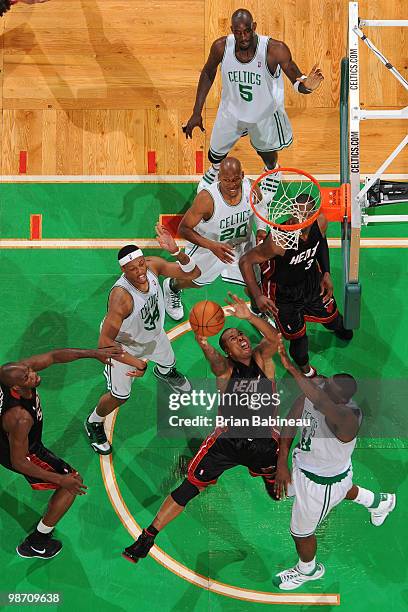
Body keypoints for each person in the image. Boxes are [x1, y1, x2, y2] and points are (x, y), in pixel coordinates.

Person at [122, 293, 281, 564]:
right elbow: (216, 363)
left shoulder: (263, 360)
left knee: (273, 468)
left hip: (265, 440)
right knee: (189, 487)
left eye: (241, 334)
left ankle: (267, 475)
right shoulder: (225, 371)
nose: (240, 338)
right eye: (232, 338)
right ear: (227, 351)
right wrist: (204, 344)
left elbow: (276, 339)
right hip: (226, 442)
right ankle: (147, 537)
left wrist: (250, 317)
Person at [272, 335, 396, 590]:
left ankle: (309, 570)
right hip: (311, 468)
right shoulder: (319, 391)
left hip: (322, 485)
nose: (321, 389)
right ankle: (379, 502)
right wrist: (282, 461)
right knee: (342, 489)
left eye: (328, 390)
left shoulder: (347, 419)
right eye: (324, 385)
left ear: (342, 401)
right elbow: (293, 418)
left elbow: (316, 400)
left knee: (300, 532)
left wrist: (290, 367)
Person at [85, 224, 201, 455]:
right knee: (120, 396)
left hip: (153, 336)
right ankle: (93, 422)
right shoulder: (121, 298)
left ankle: (165, 373)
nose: (139, 271)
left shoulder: (152, 266)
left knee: (169, 363)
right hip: (122, 348)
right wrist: (135, 362)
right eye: (132, 269)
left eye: (140, 265)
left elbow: (193, 274)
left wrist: (177, 252)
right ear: (123, 271)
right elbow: (103, 345)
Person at [183, 8, 323, 196]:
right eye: (238, 32)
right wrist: (196, 112)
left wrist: (309, 86)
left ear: (254, 27)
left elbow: (298, 82)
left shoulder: (274, 50)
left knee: (266, 153)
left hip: (263, 113)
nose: (243, 37)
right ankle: (216, 170)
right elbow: (208, 72)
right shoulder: (221, 47)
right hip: (232, 110)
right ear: (232, 30)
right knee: (214, 154)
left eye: (247, 31)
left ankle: (272, 171)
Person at [0, 345, 120, 559]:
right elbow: (19, 461)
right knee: (71, 481)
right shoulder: (20, 418)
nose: (34, 375)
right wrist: (60, 479)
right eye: (27, 377)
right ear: (16, 389)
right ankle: (36, 542)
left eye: (30, 371)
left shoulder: (14, 374)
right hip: (22, 449)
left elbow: (54, 356)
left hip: (8, 437)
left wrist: (94, 353)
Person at [239, 195, 353, 378]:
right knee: (299, 340)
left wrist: (326, 273)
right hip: (284, 294)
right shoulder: (278, 241)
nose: (300, 220)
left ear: (313, 214)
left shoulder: (321, 221)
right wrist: (258, 295)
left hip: (311, 281)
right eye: (297, 215)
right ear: (292, 213)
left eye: (306, 215)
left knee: (334, 320)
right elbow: (245, 261)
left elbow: (321, 242)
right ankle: (306, 371)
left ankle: (336, 326)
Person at [163, 156, 267, 321]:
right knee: (196, 280)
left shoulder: (251, 187)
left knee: (255, 282)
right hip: (208, 246)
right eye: (226, 180)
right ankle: (172, 286)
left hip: (242, 245)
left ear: (243, 175)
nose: (232, 184)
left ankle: (258, 312)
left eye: (235, 179)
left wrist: (261, 229)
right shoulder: (207, 199)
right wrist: (212, 246)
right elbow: (184, 229)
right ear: (219, 178)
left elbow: (260, 206)